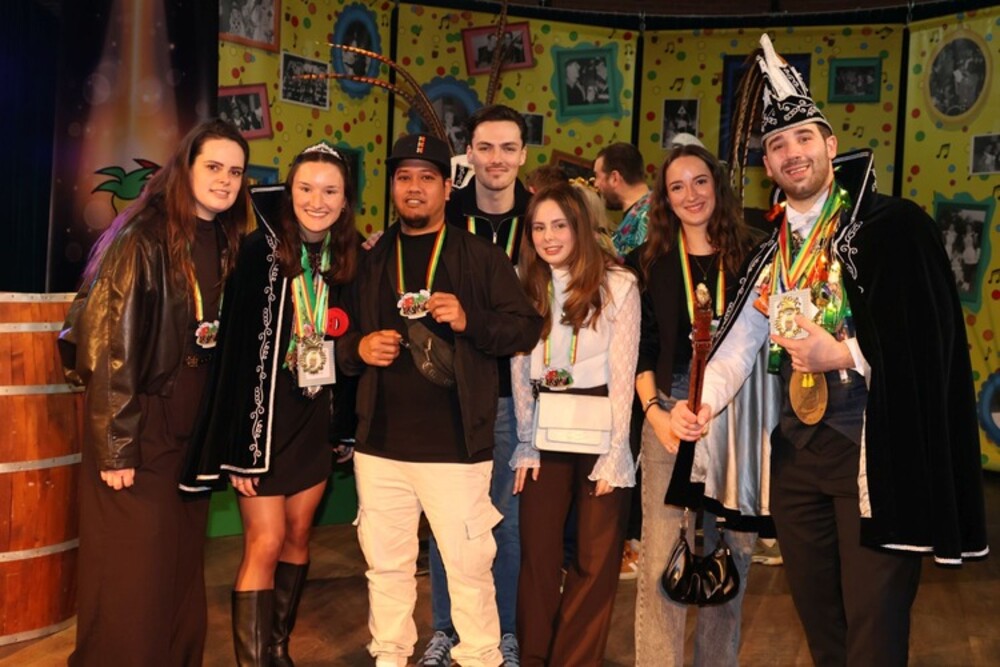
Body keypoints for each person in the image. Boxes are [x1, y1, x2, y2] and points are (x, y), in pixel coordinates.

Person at [671, 34, 988, 667]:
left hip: (875, 455)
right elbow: (740, 343)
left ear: (831, 146)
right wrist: (702, 403)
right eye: (778, 146)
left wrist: (840, 355)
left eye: (804, 139)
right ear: (767, 166)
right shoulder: (770, 251)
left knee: (875, 625)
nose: (792, 153)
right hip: (796, 462)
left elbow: (930, 343)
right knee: (822, 626)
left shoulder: (895, 229)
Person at [338, 133, 542, 667]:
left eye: (427, 177)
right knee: (386, 569)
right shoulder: (369, 259)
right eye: (404, 177)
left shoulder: (480, 256)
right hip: (379, 447)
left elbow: (525, 327)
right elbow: (337, 339)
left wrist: (470, 320)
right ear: (392, 186)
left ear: (448, 188)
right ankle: (389, 657)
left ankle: (481, 658)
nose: (414, 187)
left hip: (456, 449)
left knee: (469, 571)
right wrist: (358, 347)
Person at [59, 118, 251, 666]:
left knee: (180, 570)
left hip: (193, 429)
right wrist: (117, 447)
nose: (225, 180)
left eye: (236, 171)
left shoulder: (226, 238)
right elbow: (106, 347)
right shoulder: (140, 237)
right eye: (213, 167)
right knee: (133, 577)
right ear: (184, 167)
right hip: (140, 427)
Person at [182, 143, 360, 665]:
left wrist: (344, 427)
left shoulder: (348, 259)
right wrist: (239, 447)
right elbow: (236, 356)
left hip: (314, 417)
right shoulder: (258, 251)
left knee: (299, 534)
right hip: (263, 424)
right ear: (289, 192)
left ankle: (277, 647)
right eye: (306, 188)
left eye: (329, 191)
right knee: (265, 539)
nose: (317, 201)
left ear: (345, 200)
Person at [630, 144, 762, 666]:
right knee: (663, 559)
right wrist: (656, 415)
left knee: (733, 558)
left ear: (718, 185)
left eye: (700, 181)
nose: (691, 194)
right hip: (669, 411)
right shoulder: (648, 263)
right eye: (677, 186)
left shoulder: (754, 257)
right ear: (665, 198)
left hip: (737, 416)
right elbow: (642, 350)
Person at [511, 182, 640, 666]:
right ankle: (533, 657)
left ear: (580, 227)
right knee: (538, 556)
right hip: (543, 426)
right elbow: (519, 367)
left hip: (601, 425)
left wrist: (615, 451)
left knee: (596, 559)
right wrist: (525, 440)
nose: (548, 237)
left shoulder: (618, 284)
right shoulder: (524, 283)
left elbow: (623, 374)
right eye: (539, 227)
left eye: (559, 225)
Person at [422, 104, 532, 667]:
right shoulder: (443, 215)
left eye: (508, 148)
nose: (496, 159)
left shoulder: (541, 221)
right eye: (485, 147)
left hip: (514, 398)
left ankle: (504, 633)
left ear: (523, 155)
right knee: (449, 524)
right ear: (468, 154)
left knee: (504, 525)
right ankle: (446, 631)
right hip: (452, 394)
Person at [593, 142, 651, 257]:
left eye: (597, 176)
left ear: (614, 178)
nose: (595, 184)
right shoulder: (652, 209)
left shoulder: (649, 216)